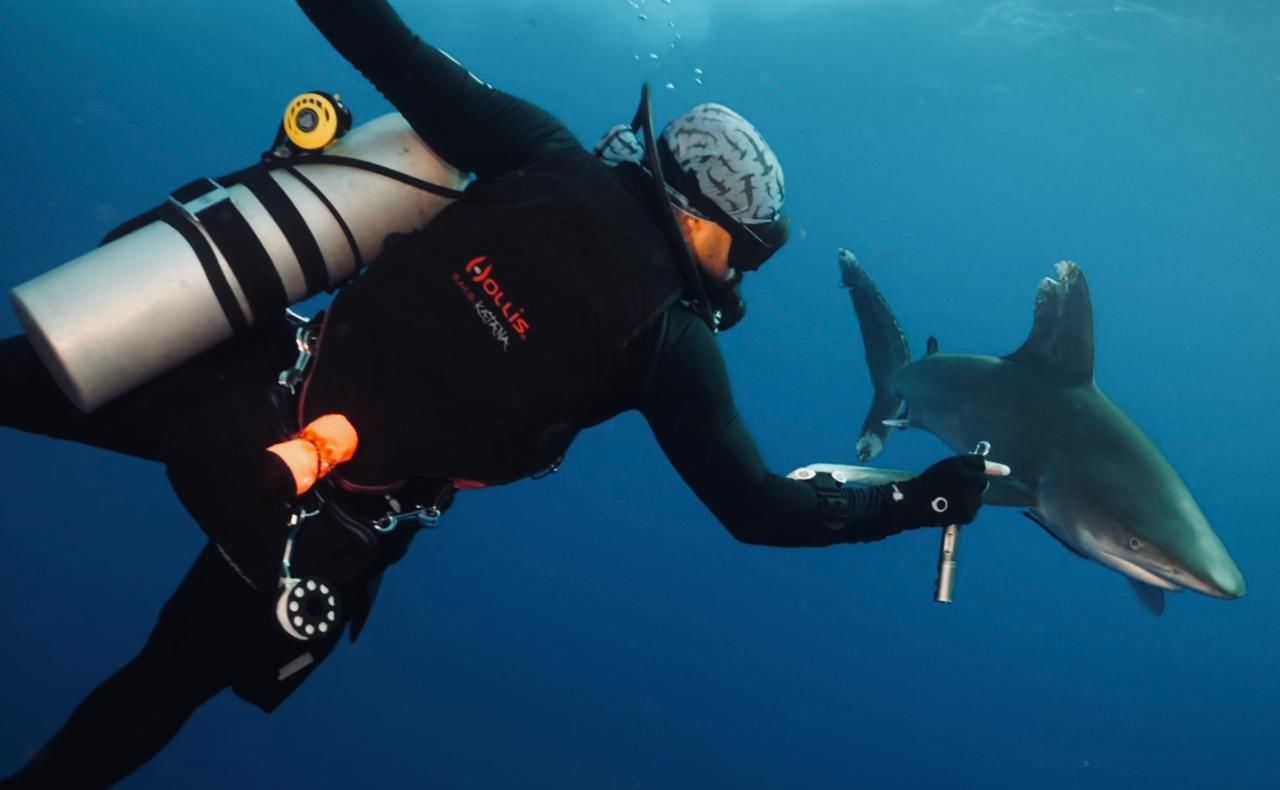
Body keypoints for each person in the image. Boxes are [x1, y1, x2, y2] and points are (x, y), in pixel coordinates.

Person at [0, 1, 1003, 787]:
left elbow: (373, 33)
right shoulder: (671, 343)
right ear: (699, 218)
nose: (736, 277)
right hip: (324, 524)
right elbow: (756, 509)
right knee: (153, 692)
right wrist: (914, 502)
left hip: (248, 387)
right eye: (737, 251)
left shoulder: (535, 148)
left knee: (18, 383)